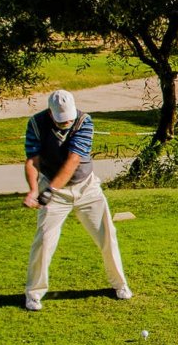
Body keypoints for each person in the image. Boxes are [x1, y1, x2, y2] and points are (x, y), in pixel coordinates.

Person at [22, 90, 131, 311]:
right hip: (53, 189)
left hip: (86, 188)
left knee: (107, 236)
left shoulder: (84, 121)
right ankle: (33, 293)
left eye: (69, 117)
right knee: (43, 240)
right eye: (62, 119)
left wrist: (49, 190)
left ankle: (120, 284)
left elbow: (73, 161)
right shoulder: (36, 123)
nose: (67, 122)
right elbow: (32, 160)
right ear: (51, 113)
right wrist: (34, 190)